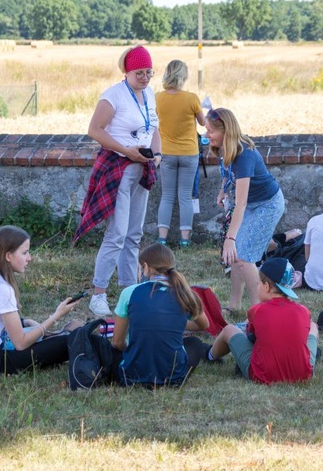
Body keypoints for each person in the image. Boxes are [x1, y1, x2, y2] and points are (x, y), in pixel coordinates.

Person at [72, 45, 162, 316]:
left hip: (142, 167)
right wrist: (126, 151)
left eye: (149, 72)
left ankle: (129, 290)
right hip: (118, 168)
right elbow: (94, 130)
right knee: (117, 234)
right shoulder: (113, 96)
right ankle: (98, 294)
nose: (145, 78)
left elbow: (155, 128)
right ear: (127, 71)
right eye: (139, 73)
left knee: (134, 233)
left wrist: (156, 155)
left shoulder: (149, 94)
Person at [0, 225, 80, 375]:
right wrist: (56, 315)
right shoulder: (1, 287)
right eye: (24, 253)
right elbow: (21, 343)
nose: (29, 258)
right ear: (8, 256)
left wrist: (25, 322)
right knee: (69, 341)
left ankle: (56, 333)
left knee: (64, 330)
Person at [205, 108, 285, 311]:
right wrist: (223, 190)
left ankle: (259, 309)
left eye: (210, 131)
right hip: (251, 204)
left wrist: (230, 239)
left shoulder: (244, 154)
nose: (206, 135)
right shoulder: (226, 148)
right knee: (236, 256)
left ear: (226, 131)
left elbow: (240, 204)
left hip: (268, 205)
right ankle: (234, 305)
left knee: (243, 256)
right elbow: (227, 172)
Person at [205, 258, 319, 385]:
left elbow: (251, 337)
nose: (257, 286)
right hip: (303, 375)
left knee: (229, 330)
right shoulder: (303, 311)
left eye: (258, 283)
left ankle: (210, 356)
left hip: (262, 375)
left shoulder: (257, 310)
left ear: (266, 286)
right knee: (313, 326)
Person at [111, 243, 210, 387]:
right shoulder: (185, 293)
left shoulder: (129, 292)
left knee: (112, 350)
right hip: (174, 378)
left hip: (132, 377)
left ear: (145, 267)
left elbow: (117, 342)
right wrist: (174, 322)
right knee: (195, 343)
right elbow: (204, 325)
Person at [155, 60, 206, 247]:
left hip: (166, 152)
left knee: (167, 195)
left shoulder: (157, 98)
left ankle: (162, 238)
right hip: (189, 152)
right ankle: (185, 240)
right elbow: (203, 123)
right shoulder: (192, 98)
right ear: (184, 77)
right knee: (185, 196)